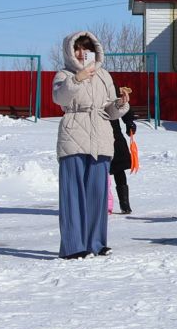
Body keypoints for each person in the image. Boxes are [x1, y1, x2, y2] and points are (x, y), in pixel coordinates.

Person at [51, 30, 127, 260]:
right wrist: (78, 78)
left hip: (101, 136)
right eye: (78, 48)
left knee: (98, 193)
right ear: (70, 51)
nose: (83, 53)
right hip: (74, 134)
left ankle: (96, 243)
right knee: (73, 193)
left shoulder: (104, 76)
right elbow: (60, 99)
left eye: (87, 48)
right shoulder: (64, 74)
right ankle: (73, 246)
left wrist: (121, 104)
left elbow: (109, 110)